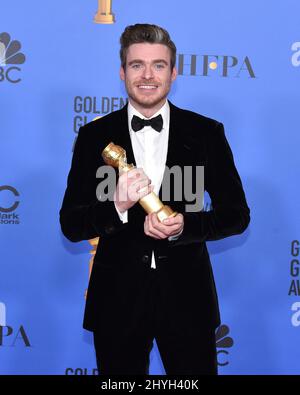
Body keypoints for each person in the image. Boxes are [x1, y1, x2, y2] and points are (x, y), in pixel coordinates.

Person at [59, 23, 250, 375]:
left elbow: (237, 215)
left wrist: (185, 226)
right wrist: (116, 206)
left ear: (174, 72)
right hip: (116, 301)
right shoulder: (93, 137)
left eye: (158, 65)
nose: (147, 75)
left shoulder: (207, 132)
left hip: (188, 299)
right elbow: (71, 224)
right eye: (137, 65)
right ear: (122, 72)